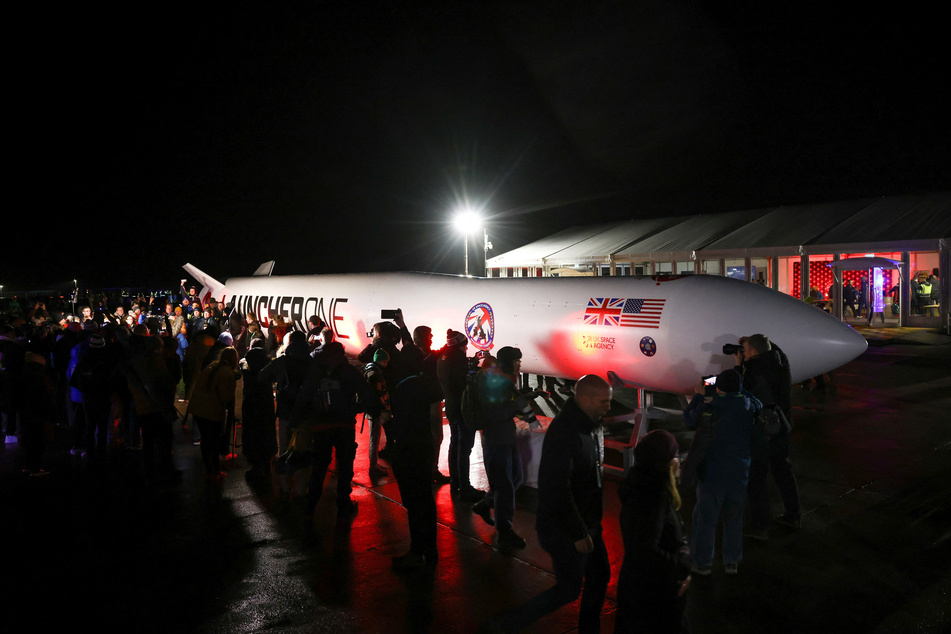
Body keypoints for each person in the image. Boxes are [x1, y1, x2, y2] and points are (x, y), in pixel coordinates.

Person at [490, 374, 613, 632]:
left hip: (586, 522)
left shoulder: (587, 425)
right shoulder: (567, 431)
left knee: (599, 575)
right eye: (604, 402)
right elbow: (556, 485)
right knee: (568, 590)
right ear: (586, 399)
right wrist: (577, 531)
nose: (608, 407)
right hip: (566, 529)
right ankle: (507, 624)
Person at [682, 369, 760, 576]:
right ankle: (731, 561)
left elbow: (689, 420)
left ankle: (703, 563)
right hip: (739, 471)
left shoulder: (711, 407)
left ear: (718, 388)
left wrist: (698, 395)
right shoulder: (748, 406)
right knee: (734, 517)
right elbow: (757, 402)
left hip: (712, 472)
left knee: (706, 518)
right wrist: (740, 390)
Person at [295, 341, 383, 522]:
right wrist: (363, 409)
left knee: (319, 467)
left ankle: (310, 506)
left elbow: (304, 396)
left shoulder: (316, 372)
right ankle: (343, 505)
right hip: (344, 425)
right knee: (344, 467)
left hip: (320, 426)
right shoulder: (348, 371)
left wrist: (296, 420)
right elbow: (367, 394)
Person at [615, 429, 691, 633]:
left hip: (646, 592)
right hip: (652, 596)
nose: (678, 461)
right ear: (664, 463)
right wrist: (681, 567)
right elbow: (645, 550)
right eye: (675, 456)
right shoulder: (652, 496)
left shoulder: (645, 487)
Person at [734, 334, 800, 539]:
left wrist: (739, 366)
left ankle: (761, 526)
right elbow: (769, 348)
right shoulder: (782, 361)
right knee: (783, 471)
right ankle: (793, 515)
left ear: (752, 352)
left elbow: (741, 394)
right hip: (782, 426)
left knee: (757, 477)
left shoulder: (754, 370)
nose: (743, 354)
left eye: (745, 350)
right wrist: (751, 342)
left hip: (762, 431)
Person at [475, 346, 540, 550]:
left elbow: (511, 406)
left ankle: (485, 504)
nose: (520, 365)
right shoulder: (496, 383)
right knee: (505, 488)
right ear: (510, 363)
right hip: (496, 441)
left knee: (515, 479)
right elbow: (495, 412)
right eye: (517, 361)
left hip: (505, 438)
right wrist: (519, 405)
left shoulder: (505, 381)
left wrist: (524, 401)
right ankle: (505, 533)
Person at [388, 356, 439, 568]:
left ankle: (417, 550)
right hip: (424, 450)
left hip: (409, 452)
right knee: (426, 503)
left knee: (415, 505)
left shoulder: (403, 390)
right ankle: (430, 548)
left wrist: (386, 423)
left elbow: (401, 427)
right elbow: (434, 423)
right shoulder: (425, 387)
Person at [437, 329, 483, 500]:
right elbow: (465, 381)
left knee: (455, 445)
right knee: (464, 448)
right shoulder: (458, 360)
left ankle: (456, 483)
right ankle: (465, 487)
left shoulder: (443, 358)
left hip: (450, 407)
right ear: (461, 345)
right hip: (464, 408)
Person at [187, 346, 239, 480]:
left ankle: (208, 469)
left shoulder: (213, 365)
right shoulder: (226, 373)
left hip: (198, 408)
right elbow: (225, 396)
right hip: (212, 410)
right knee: (214, 441)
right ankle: (215, 471)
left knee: (206, 440)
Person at [239, 338, 277, 484]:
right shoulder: (267, 371)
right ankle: (266, 462)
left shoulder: (246, 371)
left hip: (250, 406)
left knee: (252, 433)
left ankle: (255, 464)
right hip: (265, 406)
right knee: (266, 432)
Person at [362, 348, 393, 477]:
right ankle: (373, 467)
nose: (386, 365)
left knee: (374, 438)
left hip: (371, 409)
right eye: (385, 362)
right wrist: (386, 407)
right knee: (374, 439)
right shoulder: (375, 374)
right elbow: (380, 393)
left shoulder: (370, 370)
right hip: (375, 410)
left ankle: (374, 464)